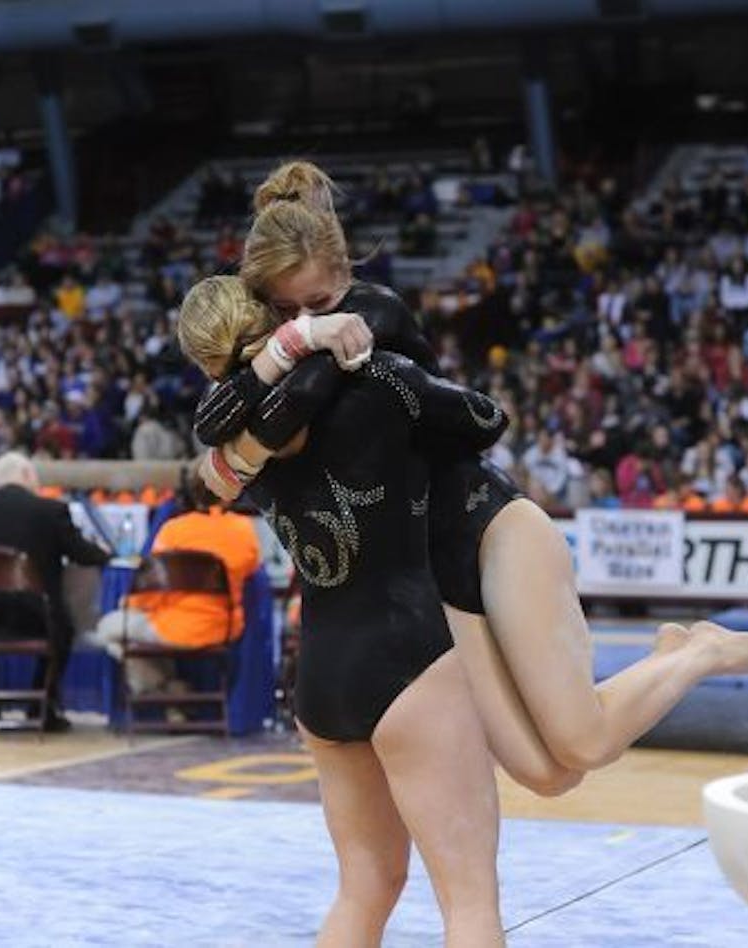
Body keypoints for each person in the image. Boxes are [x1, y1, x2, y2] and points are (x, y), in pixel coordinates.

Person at [184, 160, 748, 796]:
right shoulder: (297, 340)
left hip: (487, 524)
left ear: (346, 277)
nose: (307, 319)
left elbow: (280, 417)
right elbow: (208, 433)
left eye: (318, 304)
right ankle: (669, 655)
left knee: (585, 740)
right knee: (547, 775)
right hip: (429, 572)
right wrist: (298, 339)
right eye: (286, 309)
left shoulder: (369, 313)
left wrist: (270, 392)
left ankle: (700, 651)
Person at [191, 275, 511, 942]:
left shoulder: (237, 451)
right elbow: (486, 419)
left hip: (324, 678)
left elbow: (215, 468)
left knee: (364, 888)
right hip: (408, 656)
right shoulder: (376, 383)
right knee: (471, 900)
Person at [0, 452, 111, 730]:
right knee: (64, 626)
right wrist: (106, 552)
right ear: (27, 475)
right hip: (35, 617)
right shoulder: (51, 511)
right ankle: (42, 706)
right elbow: (84, 555)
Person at [91, 469, 260, 697]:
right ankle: (170, 689)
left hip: (173, 627)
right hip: (223, 628)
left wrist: (128, 603)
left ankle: (165, 690)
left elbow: (151, 589)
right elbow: (251, 569)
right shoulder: (243, 529)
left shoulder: (173, 530)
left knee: (106, 630)